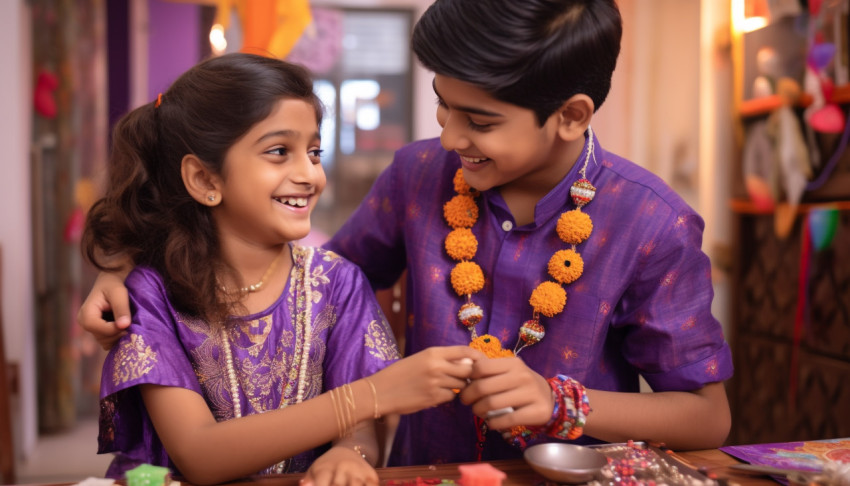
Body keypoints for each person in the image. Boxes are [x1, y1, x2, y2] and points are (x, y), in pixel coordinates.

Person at [79, 0, 733, 469]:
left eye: (477, 120)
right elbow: (303, 279)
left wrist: (559, 402)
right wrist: (130, 270)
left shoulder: (651, 223)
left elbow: (707, 417)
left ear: (570, 116)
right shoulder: (420, 174)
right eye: (443, 106)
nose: (449, 137)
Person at [81, 52, 482, 485]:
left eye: (314, 151)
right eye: (278, 151)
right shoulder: (152, 294)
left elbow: (365, 425)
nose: (310, 173)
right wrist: (369, 395)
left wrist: (351, 453)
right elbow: (199, 455)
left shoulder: (336, 281)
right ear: (204, 180)